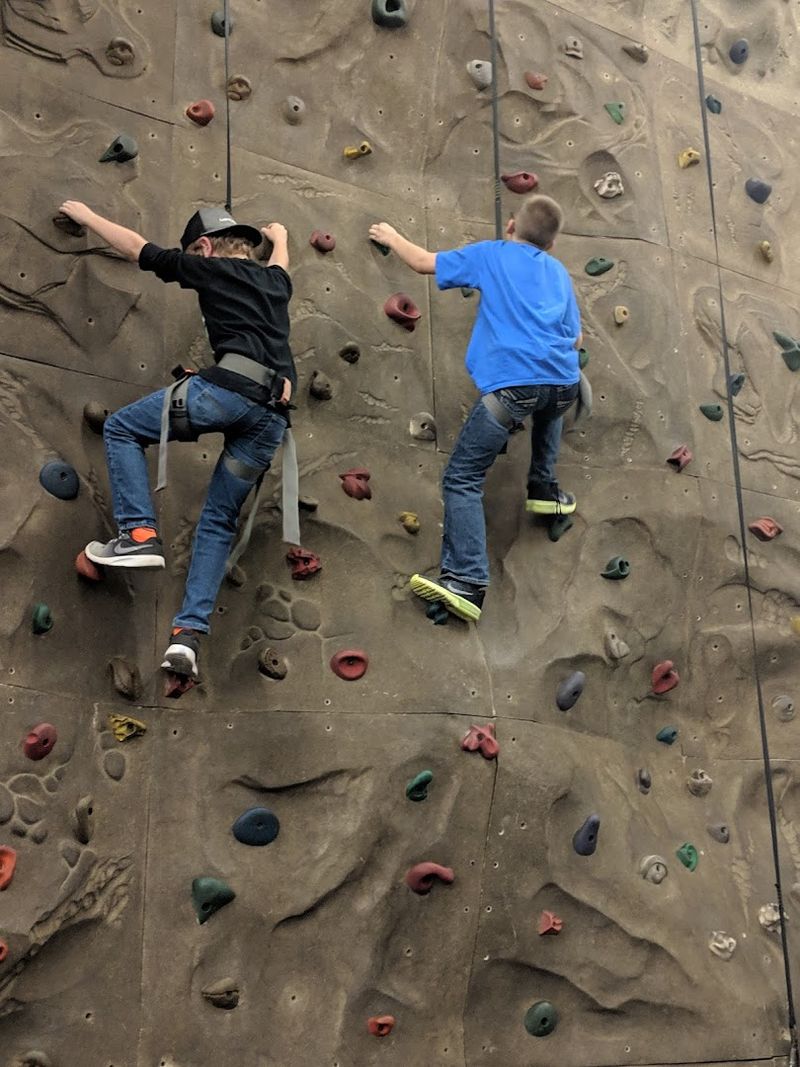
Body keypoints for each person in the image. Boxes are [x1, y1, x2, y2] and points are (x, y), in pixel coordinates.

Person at [57, 200, 297, 680]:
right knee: (218, 521)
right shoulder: (274, 282)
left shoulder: (210, 268)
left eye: (196, 251)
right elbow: (281, 262)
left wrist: (85, 215)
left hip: (226, 393)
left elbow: (136, 249)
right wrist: (281, 235)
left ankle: (138, 534)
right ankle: (186, 640)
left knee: (123, 428)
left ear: (204, 248)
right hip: (272, 419)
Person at [369, 194, 582, 623]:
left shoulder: (492, 255)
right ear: (552, 245)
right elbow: (575, 340)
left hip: (512, 386)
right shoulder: (559, 274)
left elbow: (425, 262)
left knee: (462, 478)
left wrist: (391, 236)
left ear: (509, 226)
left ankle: (466, 580)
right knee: (551, 403)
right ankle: (543, 487)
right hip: (563, 382)